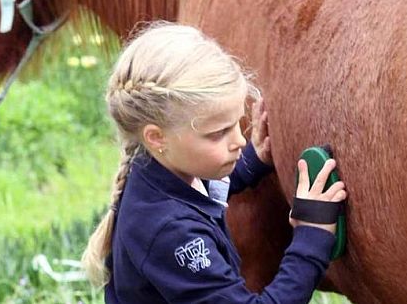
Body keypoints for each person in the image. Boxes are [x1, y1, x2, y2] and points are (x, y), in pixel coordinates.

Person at [81, 21, 347, 303]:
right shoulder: (172, 233)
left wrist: (251, 161)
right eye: (218, 133)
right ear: (157, 138)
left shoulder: (160, 169)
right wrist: (312, 237)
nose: (239, 141)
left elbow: (206, 189)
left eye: (235, 124)